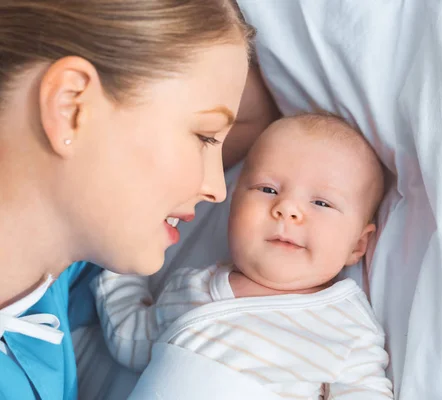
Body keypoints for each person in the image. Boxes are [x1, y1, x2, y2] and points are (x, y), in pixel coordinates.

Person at [0, 1, 279, 399]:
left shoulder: (55, 267)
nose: (219, 189)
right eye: (203, 136)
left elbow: (254, 118)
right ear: (71, 107)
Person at [93, 114, 394, 399]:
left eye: (321, 202)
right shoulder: (190, 287)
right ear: (233, 205)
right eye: (268, 188)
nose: (287, 208)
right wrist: (119, 262)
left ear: (358, 244)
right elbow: (131, 341)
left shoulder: (348, 332)